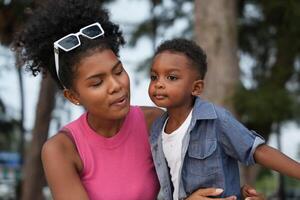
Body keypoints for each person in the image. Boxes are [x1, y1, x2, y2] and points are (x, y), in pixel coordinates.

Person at [13, 0, 264, 199]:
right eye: (97, 82)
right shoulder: (61, 150)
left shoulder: (155, 122)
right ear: (73, 96)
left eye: (118, 71)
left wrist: (235, 195)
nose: (116, 86)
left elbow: (202, 178)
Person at [148, 38, 300, 200]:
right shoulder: (157, 129)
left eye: (171, 77)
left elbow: (256, 150)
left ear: (196, 88)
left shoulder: (215, 119)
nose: (159, 84)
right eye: (154, 77)